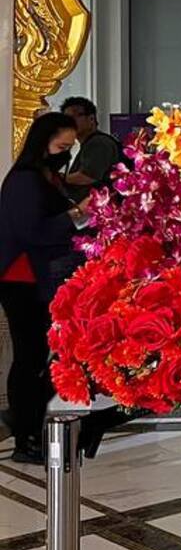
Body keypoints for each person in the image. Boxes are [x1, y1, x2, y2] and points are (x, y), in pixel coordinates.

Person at [0, 112, 80, 463]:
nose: (66, 153)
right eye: (62, 147)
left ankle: (27, 421)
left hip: (42, 276)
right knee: (30, 357)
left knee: (44, 356)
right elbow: (33, 230)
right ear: (43, 143)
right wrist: (75, 215)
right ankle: (25, 434)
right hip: (22, 279)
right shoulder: (24, 181)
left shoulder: (48, 178)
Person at [59, 96, 124, 205]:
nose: (70, 122)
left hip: (102, 210)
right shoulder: (89, 143)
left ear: (91, 119)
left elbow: (87, 177)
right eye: (66, 119)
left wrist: (58, 178)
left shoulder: (98, 142)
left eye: (75, 116)